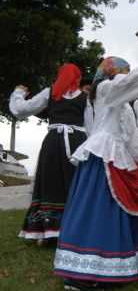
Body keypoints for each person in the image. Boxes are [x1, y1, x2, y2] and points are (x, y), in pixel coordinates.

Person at [53, 57, 138, 291]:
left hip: (119, 158)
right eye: (125, 71)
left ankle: (132, 262)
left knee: (132, 208)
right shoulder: (105, 92)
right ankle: (86, 271)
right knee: (99, 210)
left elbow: (133, 141)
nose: (129, 76)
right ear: (113, 74)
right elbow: (124, 84)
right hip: (101, 159)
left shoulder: (126, 107)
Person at [9, 64, 92, 245]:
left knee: (51, 183)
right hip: (76, 144)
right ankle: (69, 230)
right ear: (77, 78)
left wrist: (18, 93)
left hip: (55, 143)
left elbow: (22, 109)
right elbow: (91, 127)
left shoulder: (51, 93)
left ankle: (50, 231)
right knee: (72, 183)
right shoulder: (83, 98)